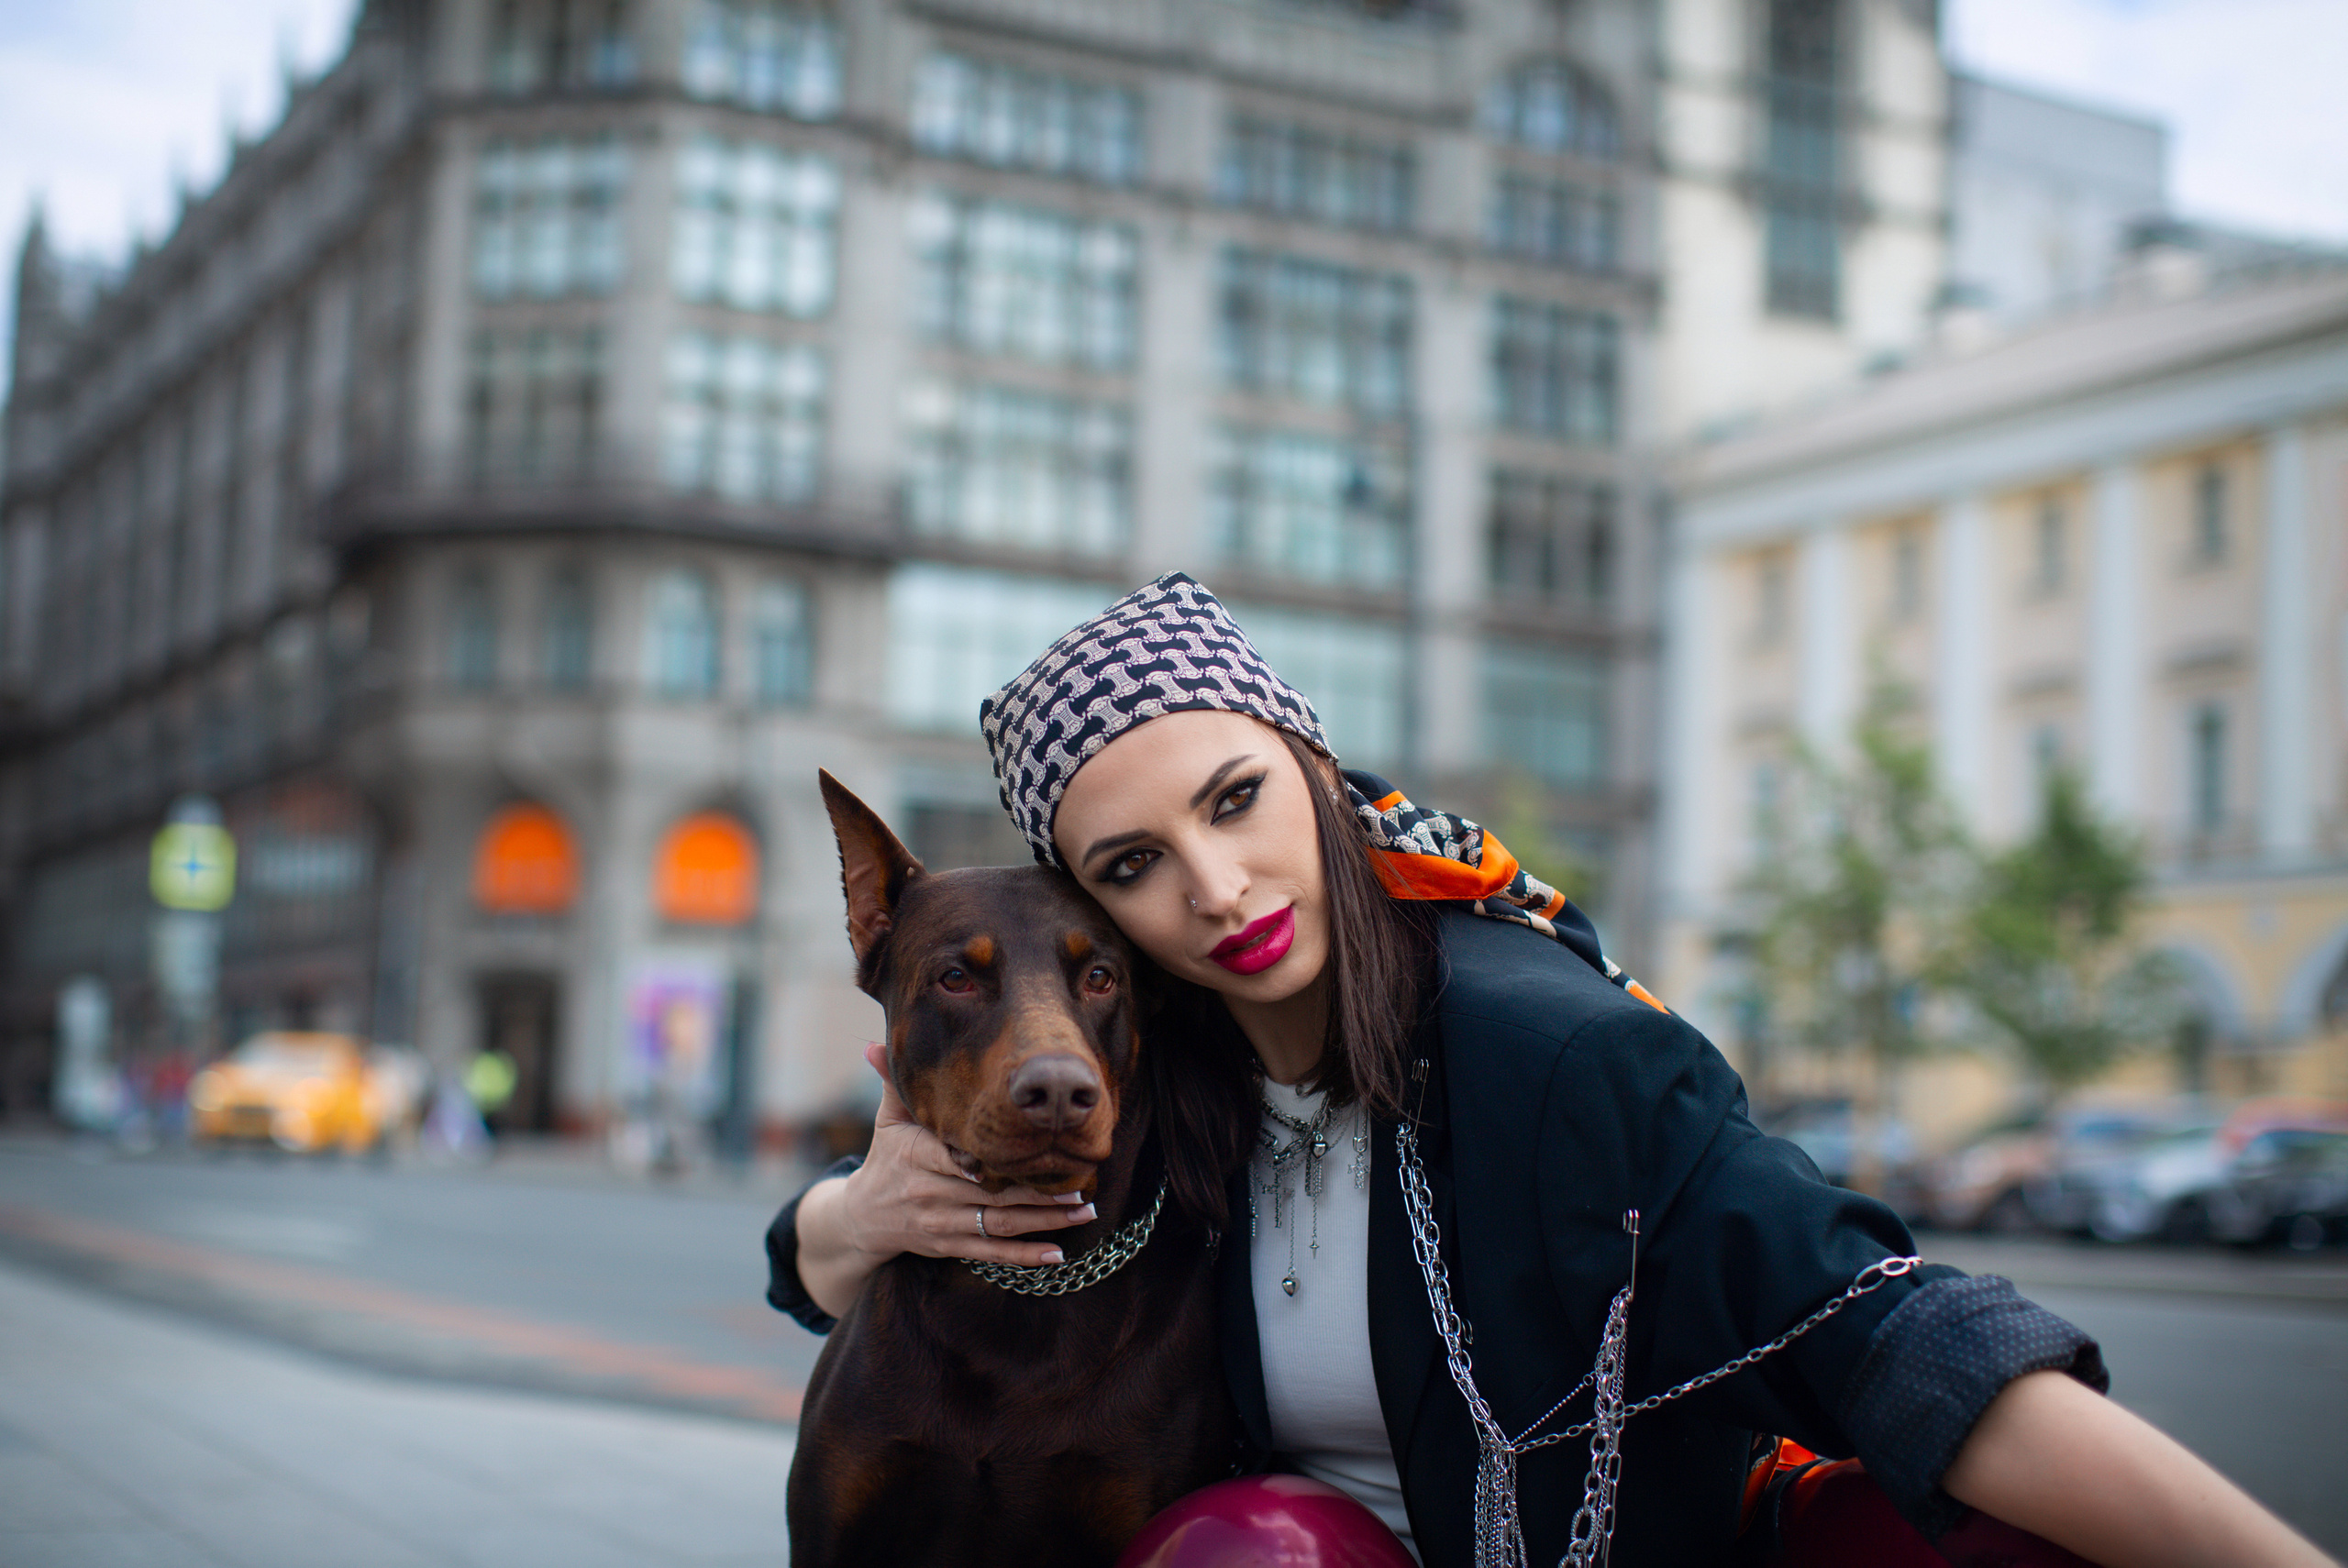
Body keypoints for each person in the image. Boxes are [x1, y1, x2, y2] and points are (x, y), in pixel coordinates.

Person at [768, 573, 2329, 1568]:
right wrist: (849, 1220)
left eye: (1239, 799)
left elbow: (1878, 1325)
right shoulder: (1171, 1078)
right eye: (1137, 861)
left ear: (1318, 768)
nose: (1222, 885)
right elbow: (851, 1249)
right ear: (1096, 919)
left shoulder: (1545, 1046)